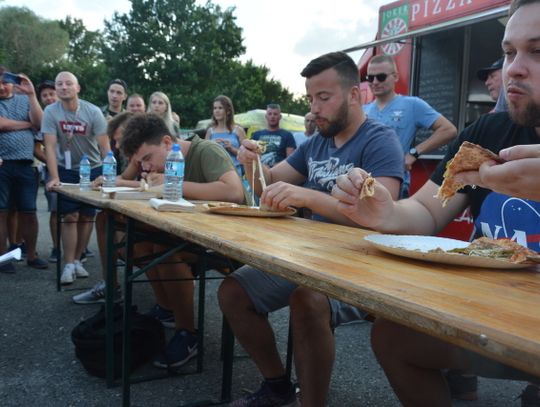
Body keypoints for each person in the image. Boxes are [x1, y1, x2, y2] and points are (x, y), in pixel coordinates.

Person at [331, 1, 540, 405]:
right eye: (509, 51)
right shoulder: (487, 134)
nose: (513, 68)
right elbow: (427, 211)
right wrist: (385, 211)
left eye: (539, 51)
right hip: (494, 314)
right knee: (394, 338)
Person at [218, 51, 404, 406]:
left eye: (323, 97)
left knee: (307, 299)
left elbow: (384, 215)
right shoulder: (317, 142)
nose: (314, 108)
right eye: (310, 99)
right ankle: (277, 386)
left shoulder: (380, 140)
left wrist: (308, 197)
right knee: (233, 293)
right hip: (313, 254)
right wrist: (252, 164)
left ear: (354, 95)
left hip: (365, 262)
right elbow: (270, 184)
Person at [120, 113, 246, 368]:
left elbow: (235, 193)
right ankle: (167, 308)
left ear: (168, 143)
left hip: (231, 238)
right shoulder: (163, 163)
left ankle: (187, 333)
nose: (146, 167)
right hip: (195, 234)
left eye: (147, 158)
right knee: (137, 246)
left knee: (165, 251)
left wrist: (174, 183)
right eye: (139, 162)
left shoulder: (206, 151)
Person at [43, 71, 111, 285]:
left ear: (77, 88)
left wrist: (109, 176)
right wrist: (54, 177)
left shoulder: (92, 112)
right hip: (66, 168)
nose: (64, 87)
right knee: (69, 216)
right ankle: (69, 263)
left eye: (68, 84)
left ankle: (79, 258)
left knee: (86, 215)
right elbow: (50, 147)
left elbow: (104, 147)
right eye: (59, 84)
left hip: (92, 168)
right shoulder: (51, 111)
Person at [363, 55, 457, 197]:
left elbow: (448, 130)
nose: (375, 82)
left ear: (395, 77)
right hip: (363, 182)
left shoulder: (412, 105)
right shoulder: (363, 110)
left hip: (394, 183)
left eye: (381, 77)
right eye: (370, 78)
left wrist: (414, 153)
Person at [0, 67, 48, 272]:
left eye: (5, 82)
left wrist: (31, 94)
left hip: (25, 165)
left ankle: (32, 255)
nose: (2, 87)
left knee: (29, 212)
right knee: (1, 213)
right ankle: (3, 257)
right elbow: (2, 124)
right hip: (3, 165)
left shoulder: (24, 100)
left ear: (12, 83)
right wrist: (27, 124)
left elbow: (39, 123)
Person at [36, 80, 61, 262]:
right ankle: (56, 247)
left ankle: (80, 248)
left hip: (75, 168)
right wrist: (53, 164)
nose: (49, 98)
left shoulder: (70, 113)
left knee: (78, 211)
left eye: (51, 94)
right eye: (44, 95)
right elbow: (37, 148)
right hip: (52, 170)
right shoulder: (42, 117)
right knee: (55, 210)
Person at [205, 95, 246, 176]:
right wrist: (211, 146)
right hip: (214, 173)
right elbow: (203, 155)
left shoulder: (238, 130)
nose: (216, 111)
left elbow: (247, 155)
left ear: (228, 111)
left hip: (235, 173)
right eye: (215, 108)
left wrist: (232, 148)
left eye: (220, 108)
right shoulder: (210, 131)